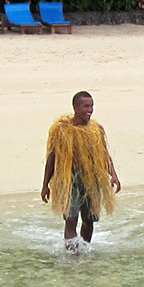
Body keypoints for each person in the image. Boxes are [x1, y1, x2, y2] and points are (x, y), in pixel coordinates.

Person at [41, 91, 122, 251]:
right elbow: (52, 158)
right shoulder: (61, 129)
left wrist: (113, 175)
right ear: (76, 107)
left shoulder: (96, 129)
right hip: (68, 179)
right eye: (86, 106)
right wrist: (45, 185)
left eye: (92, 106)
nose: (90, 110)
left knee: (89, 219)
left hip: (91, 178)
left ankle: (84, 249)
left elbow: (104, 155)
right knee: (71, 219)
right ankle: (72, 253)